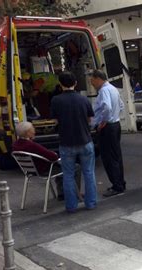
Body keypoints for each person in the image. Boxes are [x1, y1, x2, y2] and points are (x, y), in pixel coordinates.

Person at [50, 71, 97, 212]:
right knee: (89, 173)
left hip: (66, 142)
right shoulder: (83, 99)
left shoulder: (56, 100)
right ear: (75, 83)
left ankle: (71, 206)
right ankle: (91, 203)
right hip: (85, 140)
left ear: (60, 84)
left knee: (68, 175)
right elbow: (90, 119)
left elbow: (55, 120)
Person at [90, 69, 126, 197]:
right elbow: (121, 105)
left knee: (108, 157)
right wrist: (114, 116)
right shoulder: (113, 89)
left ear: (98, 78)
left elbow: (107, 107)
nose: (92, 84)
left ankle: (117, 185)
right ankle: (120, 182)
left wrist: (103, 121)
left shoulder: (104, 90)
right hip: (115, 124)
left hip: (107, 127)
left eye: (92, 80)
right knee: (116, 155)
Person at [12, 122, 65, 200]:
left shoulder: (15, 145)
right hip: (43, 170)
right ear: (27, 133)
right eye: (32, 129)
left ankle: (62, 194)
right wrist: (55, 155)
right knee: (73, 167)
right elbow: (53, 157)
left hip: (30, 171)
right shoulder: (31, 145)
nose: (34, 131)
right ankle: (70, 194)